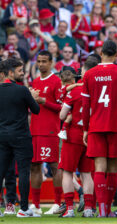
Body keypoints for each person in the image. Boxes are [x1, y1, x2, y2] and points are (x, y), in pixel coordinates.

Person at [81, 40, 117, 217]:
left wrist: (85, 128)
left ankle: (101, 211)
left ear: (101, 53)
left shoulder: (89, 74)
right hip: (115, 125)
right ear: (116, 54)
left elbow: (85, 105)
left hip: (96, 126)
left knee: (99, 167)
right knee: (113, 167)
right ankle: (107, 210)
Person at [58, 60, 98, 218]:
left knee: (67, 172)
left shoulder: (75, 91)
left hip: (73, 135)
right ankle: (89, 208)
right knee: (86, 173)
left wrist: (68, 116)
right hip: (90, 136)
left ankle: (69, 209)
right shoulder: (97, 90)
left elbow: (62, 115)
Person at [0, 58, 40, 218]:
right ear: (10, 72)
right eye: (19, 71)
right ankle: (23, 209)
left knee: (0, 171)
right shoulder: (23, 90)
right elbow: (36, 110)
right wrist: (32, 96)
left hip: (2, 136)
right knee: (24, 172)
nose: (22, 73)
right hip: (21, 136)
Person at [29, 50, 63, 215]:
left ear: (51, 63)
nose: (41, 64)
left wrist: (44, 102)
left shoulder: (56, 81)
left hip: (50, 130)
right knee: (34, 166)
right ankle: (35, 205)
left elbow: (62, 107)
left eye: (44, 61)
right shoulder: (35, 81)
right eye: (39, 61)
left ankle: (57, 203)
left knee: (54, 165)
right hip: (35, 130)